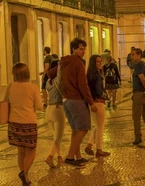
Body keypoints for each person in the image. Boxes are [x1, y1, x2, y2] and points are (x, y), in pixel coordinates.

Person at [60, 38, 97, 167]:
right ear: (73, 49)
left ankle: (78, 156)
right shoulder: (78, 64)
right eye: (80, 49)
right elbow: (83, 85)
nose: (83, 52)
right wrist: (91, 102)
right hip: (76, 100)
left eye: (84, 49)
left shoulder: (64, 62)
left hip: (66, 100)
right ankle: (70, 157)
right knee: (83, 128)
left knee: (76, 130)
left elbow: (51, 74)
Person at [7, 63, 43, 186]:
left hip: (14, 123)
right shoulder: (33, 87)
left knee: (21, 151)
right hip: (28, 122)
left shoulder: (11, 86)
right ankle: (24, 173)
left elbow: (6, 102)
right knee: (31, 150)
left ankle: (25, 178)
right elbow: (39, 106)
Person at [84, 55, 111, 157]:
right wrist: (105, 96)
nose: (100, 63)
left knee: (97, 125)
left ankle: (89, 145)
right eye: (97, 62)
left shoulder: (88, 74)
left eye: (100, 61)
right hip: (98, 102)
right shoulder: (98, 75)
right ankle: (99, 149)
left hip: (91, 102)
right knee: (100, 127)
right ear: (93, 63)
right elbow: (99, 91)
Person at [45, 60, 65, 168]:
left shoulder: (48, 82)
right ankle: (50, 157)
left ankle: (59, 156)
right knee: (58, 137)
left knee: (56, 137)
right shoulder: (58, 81)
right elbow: (59, 75)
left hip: (48, 110)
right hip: (57, 110)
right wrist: (60, 66)